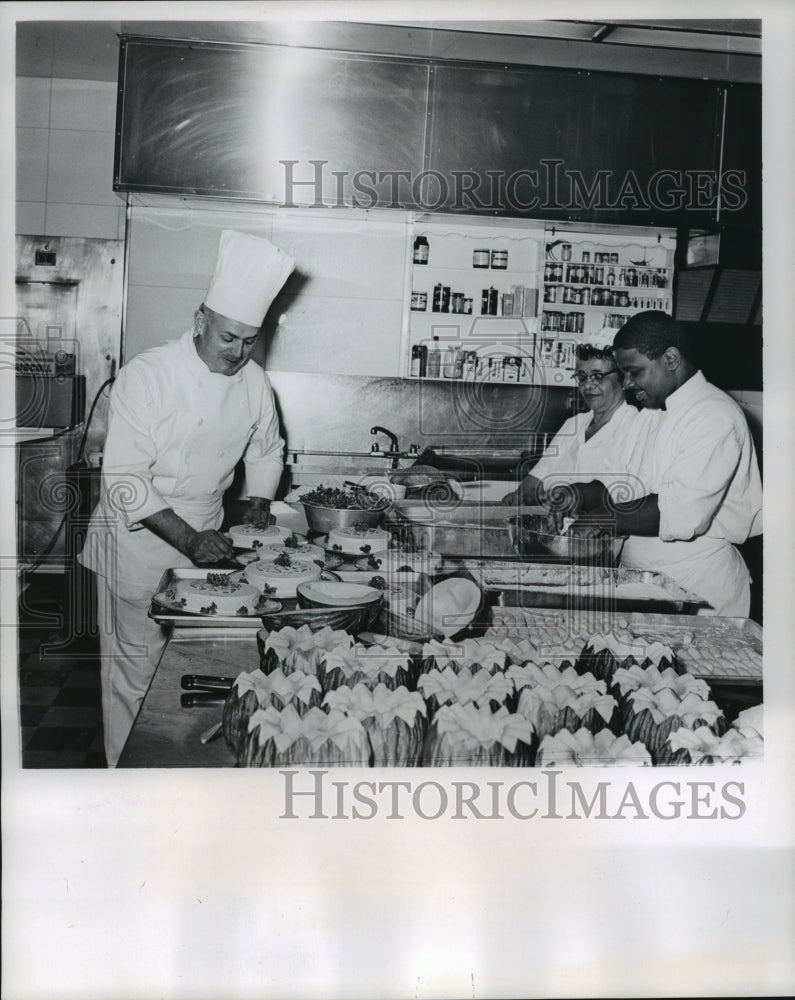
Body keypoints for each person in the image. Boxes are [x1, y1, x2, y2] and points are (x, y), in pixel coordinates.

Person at [79, 230, 295, 765]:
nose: (239, 353)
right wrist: (190, 538)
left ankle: (180, 777)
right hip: (138, 542)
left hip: (208, 540)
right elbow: (125, 478)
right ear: (201, 320)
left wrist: (259, 511)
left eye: (250, 340)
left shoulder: (254, 382)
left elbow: (268, 450)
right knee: (135, 672)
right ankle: (125, 782)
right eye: (229, 338)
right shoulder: (147, 376)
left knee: (196, 664)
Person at [566, 310, 762, 617]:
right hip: (644, 585)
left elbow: (680, 512)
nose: (627, 384)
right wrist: (577, 494)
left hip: (699, 588)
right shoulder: (651, 413)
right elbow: (618, 486)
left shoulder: (714, 416)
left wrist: (604, 518)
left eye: (635, 372)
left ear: (670, 359)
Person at [501, 329, 658, 512]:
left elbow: (628, 497)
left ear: (623, 379)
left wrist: (572, 495)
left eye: (598, 377)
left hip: (597, 534)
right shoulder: (574, 424)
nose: (588, 386)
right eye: (582, 377)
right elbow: (536, 478)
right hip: (552, 531)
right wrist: (519, 496)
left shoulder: (638, 427)